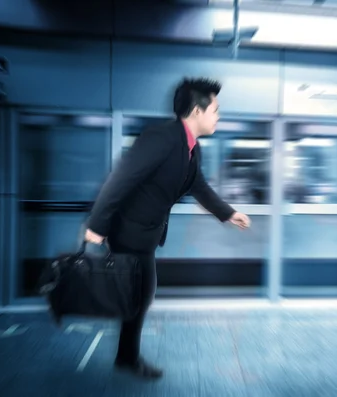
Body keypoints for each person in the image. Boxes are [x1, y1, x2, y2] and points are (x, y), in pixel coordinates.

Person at [84, 77, 251, 379]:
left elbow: (198, 186)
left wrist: (228, 213)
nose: (218, 116)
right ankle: (127, 357)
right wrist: (96, 226)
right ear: (197, 111)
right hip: (129, 232)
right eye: (215, 109)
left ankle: (126, 356)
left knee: (141, 294)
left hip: (146, 235)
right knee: (139, 293)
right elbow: (121, 179)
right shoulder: (161, 138)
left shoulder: (191, 148)